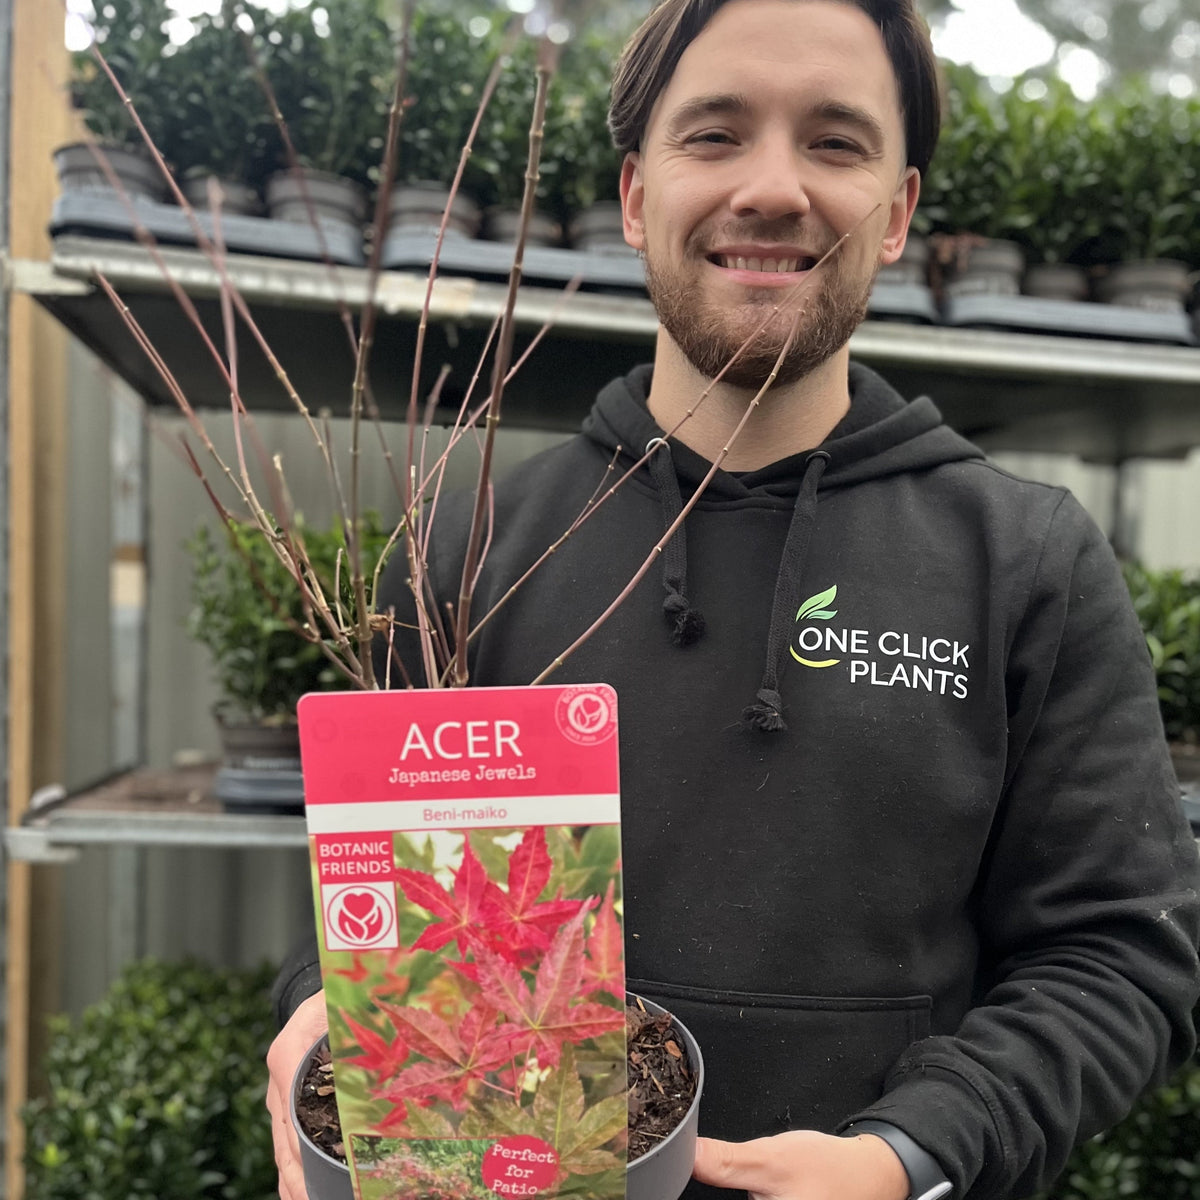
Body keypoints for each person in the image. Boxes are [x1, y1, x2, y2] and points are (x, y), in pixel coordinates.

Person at [266, 2, 1200, 1198]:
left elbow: (1121, 953)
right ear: (637, 195)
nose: (773, 188)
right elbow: (366, 903)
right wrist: (314, 1015)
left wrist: (910, 1155)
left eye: (835, 142)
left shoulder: (1024, 562)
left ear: (901, 211)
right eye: (715, 135)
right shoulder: (467, 550)